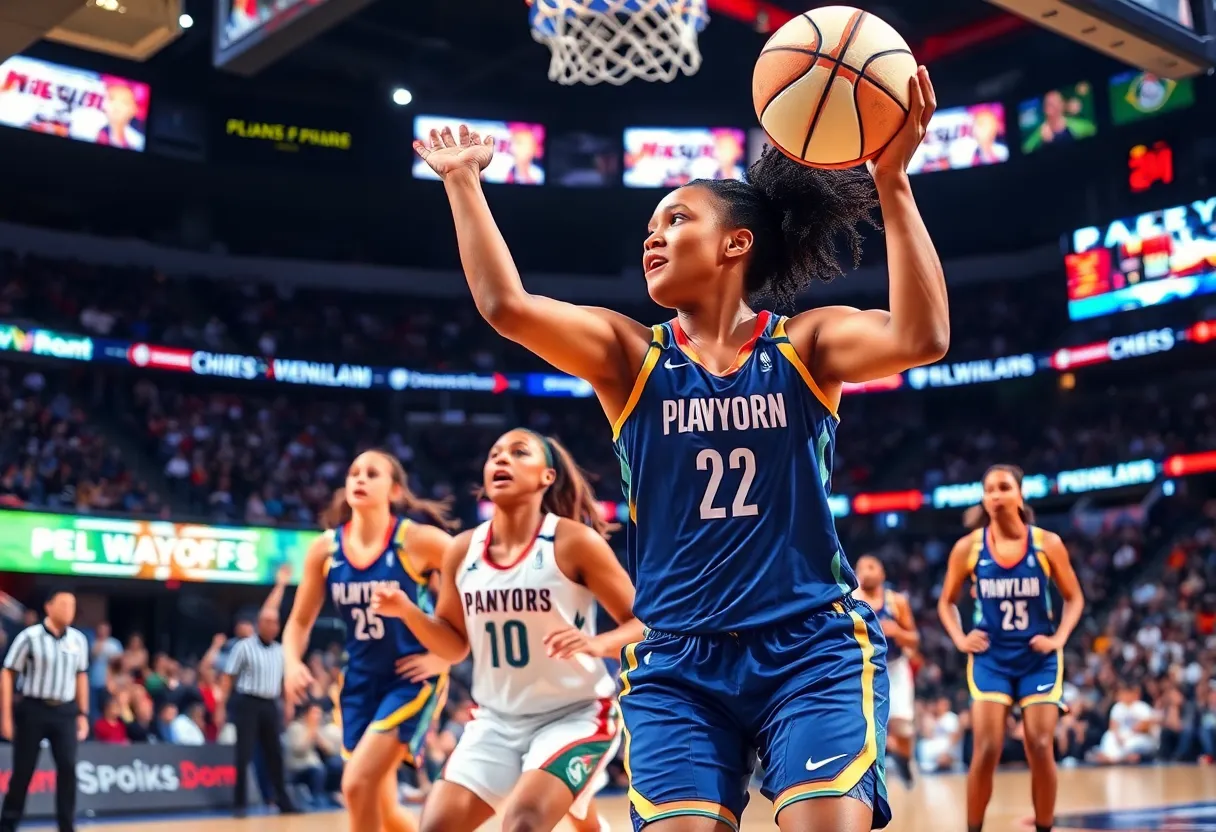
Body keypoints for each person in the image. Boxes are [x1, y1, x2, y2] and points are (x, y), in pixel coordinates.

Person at [415, 65, 945, 832]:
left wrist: (892, 182)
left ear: (736, 242)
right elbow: (505, 307)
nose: (653, 236)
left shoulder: (808, 344)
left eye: (675, 220)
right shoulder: (631, 357)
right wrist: (463, 181)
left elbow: (922, 338)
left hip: (809, 649)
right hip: (678, 664)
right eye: (650, 228)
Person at [371, 429, 644, 832]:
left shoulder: (572, 542)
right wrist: (408, 612)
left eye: (518, 452)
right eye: (494, 454)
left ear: (546, 477)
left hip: (575, 715)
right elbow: (453, 647)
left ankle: (581, 814)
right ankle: (589, 822)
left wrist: (596, 643)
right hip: (496, 720)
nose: (501, 460)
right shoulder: (462, 550)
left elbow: (642, 621)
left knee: (523, 823)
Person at [282, 450, 455, 832]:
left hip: (411, 678)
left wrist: (447, 656)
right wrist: (293, 663)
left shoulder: (419, 541)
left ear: (394, 490)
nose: (359, 479)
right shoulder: (325, 549)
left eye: (371, 473)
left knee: (356, 784)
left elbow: (475, 587)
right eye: (354, 472)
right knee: (382, 804)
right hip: (358, 682)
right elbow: (298, 622)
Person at [937, 464, 1085, 832]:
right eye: (989, 490)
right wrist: (959, 638)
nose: (996, 495)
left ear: (1020, 496)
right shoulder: (968, 548)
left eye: (1003, 487)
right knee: (986, 750)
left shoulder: (1046, 543)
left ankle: (1044, 828)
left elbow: (1074, 598)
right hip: (991, 658)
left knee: (1038, 744)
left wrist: (1060, 637)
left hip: (1039, 657)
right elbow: (946, 602)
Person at [0, 589, 90, 832]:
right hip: (34, 709)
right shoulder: (29, 637)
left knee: (69, 767)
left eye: (72, 605)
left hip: (65, 712)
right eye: (63, 604)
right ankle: (8, 824)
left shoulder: (78, 640)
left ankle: (66, 826)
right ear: (48, 607)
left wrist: (83, 713)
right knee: (23, 771)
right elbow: (7, 673)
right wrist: (5, 716)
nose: (68, 610)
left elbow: (81, 676)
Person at [220, 606, 297, 817]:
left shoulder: (280, 650)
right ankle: (239, 804)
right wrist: (221, 706)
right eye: (268, 622)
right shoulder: (243, 647)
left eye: (276, 623)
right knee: (243, 754)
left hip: (270, 704)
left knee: (275, 753)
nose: (273, 627)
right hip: (248, 703)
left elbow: (284, 681)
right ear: (259, 624)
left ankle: (283, 801)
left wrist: (288, 704)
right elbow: (229, 677)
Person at [853, 555, 919, 788]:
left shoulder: (897, 601)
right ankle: (875, 768)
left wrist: (898, 632)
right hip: (865, 668)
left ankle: (903, 757)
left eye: (871, 567)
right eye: (861, 568)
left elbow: (914, 639)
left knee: (904, 728)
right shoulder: (851, 601)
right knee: (866, 727)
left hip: (896, 667)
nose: (866, 572)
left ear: (882, 573)